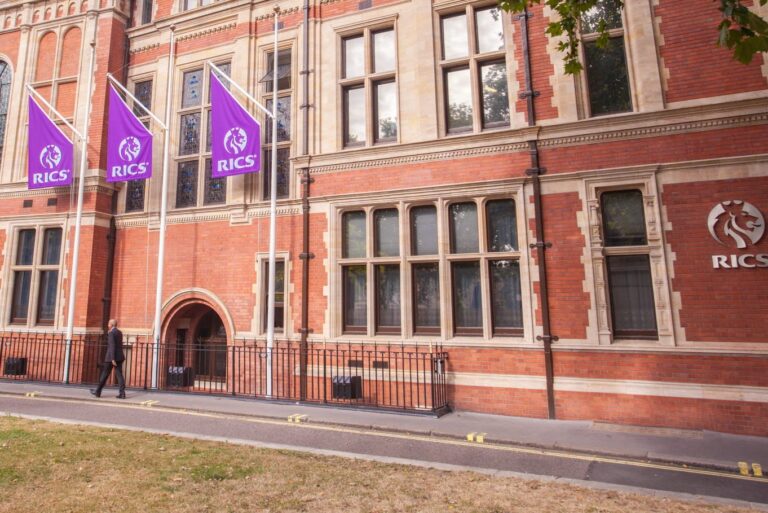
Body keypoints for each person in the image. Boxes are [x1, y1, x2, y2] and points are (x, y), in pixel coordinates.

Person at [91, 319, 126, 399]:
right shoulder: (119, 332)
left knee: (105, 374)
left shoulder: (111, 333)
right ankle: (122, 393)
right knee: (119, 375)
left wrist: (113, 359)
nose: (108, 325)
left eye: (108, 324)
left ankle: (98, 391)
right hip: (120, 357)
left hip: (111, 358)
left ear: (111, 325)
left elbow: (112, 345)